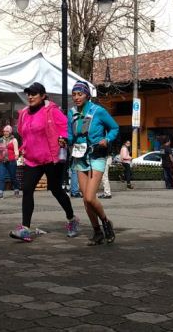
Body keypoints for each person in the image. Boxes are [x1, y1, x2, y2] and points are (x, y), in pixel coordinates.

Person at [9, 82, 78, 243]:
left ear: (43, 96)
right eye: (28, 94)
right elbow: (22, 132)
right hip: (32, 159)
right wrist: (25, 147)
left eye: (34, 94)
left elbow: (66, 127)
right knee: (27, 189)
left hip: (51, 158)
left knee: (55, 189)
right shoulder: (24, 113)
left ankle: (72, 219)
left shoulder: (52, 111)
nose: (30, 97)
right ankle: (25, 229)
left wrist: (64, 138)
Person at [67, 81, 120, 246]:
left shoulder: (98, 111)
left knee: (90, 197)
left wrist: (107, 139)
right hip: (80, 157)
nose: (76, 97)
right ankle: (97, 231)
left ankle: (106, 222)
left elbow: (115, 128)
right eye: (74, 94)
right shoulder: (71, 113)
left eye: (80, 94)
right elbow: (70, 135)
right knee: (85, 199)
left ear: (87, 95)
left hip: (97, 155)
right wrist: (64, 141)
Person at [0, 125, 20, 199]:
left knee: (12, 177)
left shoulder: (14, 140)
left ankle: (16, 189)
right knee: (1, 177)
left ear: (10, 132)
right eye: (4, 131)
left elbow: (16, 149)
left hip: (11, 161)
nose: (5, 133)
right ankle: (0, 192)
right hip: (2, 160)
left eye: (7, 131)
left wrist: (16, 156)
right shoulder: (0, 140)